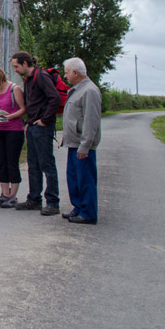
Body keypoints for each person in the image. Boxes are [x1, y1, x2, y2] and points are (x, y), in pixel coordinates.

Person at [11, 51, 61, 215]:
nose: (15, 70)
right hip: (33, 126)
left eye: (16, 66)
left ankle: (52, 202)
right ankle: (34, 199)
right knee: (33, 164)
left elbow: (54, 98)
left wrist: (44, 120)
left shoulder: (41, 76)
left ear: (25, 63)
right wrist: (28, 123)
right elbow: (33, 103)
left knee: (46, 164)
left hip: (42, 127)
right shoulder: (29, 79)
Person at [60, 57, 101, 224]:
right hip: (73, 143)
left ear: (75, 73)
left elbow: (91, 121)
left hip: (82, 145)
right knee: (74, 179)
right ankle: (78, 207)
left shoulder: (89, 91)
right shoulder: (78, 89)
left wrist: (85, 145)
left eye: (67, 73)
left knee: (85, 180)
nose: (65, 76)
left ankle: (88, 212)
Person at [0, 65, 26, 208]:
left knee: (11, 162)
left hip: (14, 130)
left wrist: (9, 116)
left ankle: (13, 195)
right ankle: (4, 193)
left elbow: (23, 109)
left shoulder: (14, 89)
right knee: (1, 161)